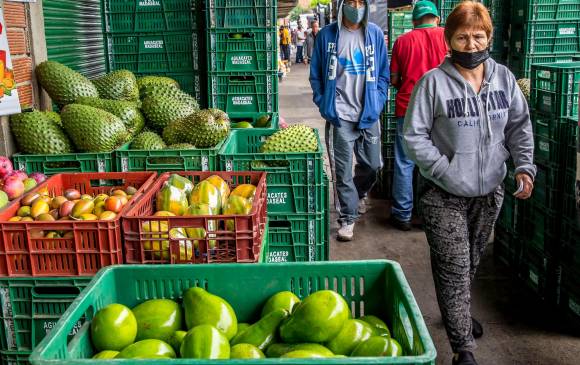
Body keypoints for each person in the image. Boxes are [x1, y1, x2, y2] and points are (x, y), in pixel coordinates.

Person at [403, 2, 535, 365]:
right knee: (454, 266)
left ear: (489, 37)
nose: (471, 44)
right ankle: (464, 348)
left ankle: (456, 313)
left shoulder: (504, 79)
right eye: (462, 37)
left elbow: (518, 127)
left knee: (471, 260)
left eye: (479, 36)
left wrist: (524, 166)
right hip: (442, 194)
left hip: (489, 191)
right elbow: (413, 136)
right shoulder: (433, 84)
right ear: (449, 40)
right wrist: (443, 170)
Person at [310, 0, 389, 241]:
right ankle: (347, 218)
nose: (356, 6)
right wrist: (324, 103)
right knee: (342, 171)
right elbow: (316, 75)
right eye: (351, 1)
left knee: (373, 165)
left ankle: (358, 193)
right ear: (342, 5)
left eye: (360, 2)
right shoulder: (327, 36)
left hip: (368, 114)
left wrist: (378, 100)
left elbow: (384, 73)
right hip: (340, 115)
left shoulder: (374, 34)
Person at [389, 1, 448, 231]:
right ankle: (430, 214)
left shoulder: (402, 41)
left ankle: (402, 214)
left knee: (404, 162)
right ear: (437, 18)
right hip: (442, 111)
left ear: (414, 20)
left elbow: (394, 79)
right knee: (435, 161)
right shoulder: (447, 37)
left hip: (409, 108)